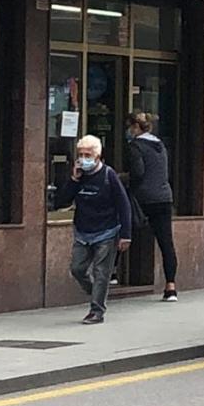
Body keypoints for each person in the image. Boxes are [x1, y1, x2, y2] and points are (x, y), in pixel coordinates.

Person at [52, 135, 132, 324]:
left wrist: (125, 235)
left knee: (101, 272)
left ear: (97, 157)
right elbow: (61, 202)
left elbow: (124, 205)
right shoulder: (78, 176)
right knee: (77, 268)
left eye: (87, 155)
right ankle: (95, 291)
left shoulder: (108, 175)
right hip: (83, 231)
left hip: (107, 231)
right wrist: (73, 180)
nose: (83, 159)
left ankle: (97, 311)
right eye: (80, 154)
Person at [126, 112, 178, 301]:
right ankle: (170, 286)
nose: (129, 131)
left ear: (136, 128)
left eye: (130, 127)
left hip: (144, 198)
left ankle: (111, 275)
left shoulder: (135, 146)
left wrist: (125, 181)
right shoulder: (160, 145)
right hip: (164, 197)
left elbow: (138, 172)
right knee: (166, 242)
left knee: (123, 233)